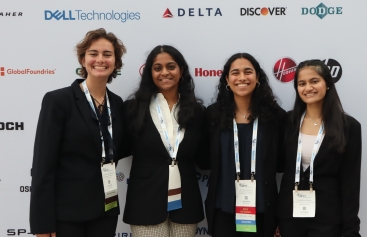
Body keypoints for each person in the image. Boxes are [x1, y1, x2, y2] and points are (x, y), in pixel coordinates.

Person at [29, 28, 127, 237]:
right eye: (93, 53)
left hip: (106, 209)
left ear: (116, 63)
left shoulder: (118, 104)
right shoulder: (58, 101)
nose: (100, 59)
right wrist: (42, 223)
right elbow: (42, 166)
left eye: (107, 54)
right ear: (83, 60)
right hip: (67, 214)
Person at [122, 45, 209, 237]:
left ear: (181, 71)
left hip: (186, 204)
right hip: (145, 203)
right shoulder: (132, 109)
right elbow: (121, 148)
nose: (165, 73)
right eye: (157, 68)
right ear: (150, 73)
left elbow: (204, 158)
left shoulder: (197, 112)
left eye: (171, 66)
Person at [277, 59, 362, 237]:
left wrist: (351, 230)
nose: (308, 88)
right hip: (290, 217)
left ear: (328, 84)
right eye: (302, 83)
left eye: (314, 81)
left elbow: (350, 183)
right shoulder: (287, 122)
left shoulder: (349, 127)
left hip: (327, 218)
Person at [205, 53, 286, 237]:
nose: (242, 78)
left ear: (257, 77)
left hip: (263, 212)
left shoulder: (275, 117)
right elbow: (205, 160)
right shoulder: (213, 115)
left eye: (248, 72)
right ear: (227, 79)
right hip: (222, 210)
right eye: (235, 72)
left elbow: (281, 163)